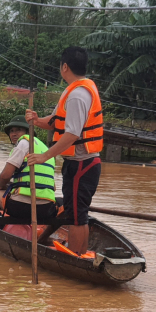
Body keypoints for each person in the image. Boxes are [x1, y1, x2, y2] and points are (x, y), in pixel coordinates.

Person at [25, 46, 103, 254]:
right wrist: (36, 120)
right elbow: (54, 122)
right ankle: (80, 254)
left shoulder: (78, 95)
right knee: (77, 214)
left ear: (65, 67)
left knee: (77, 216)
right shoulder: (74, 91)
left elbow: (72, 134)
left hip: (82, 164)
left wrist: (45, 156)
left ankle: (77, 259)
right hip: (78, 163)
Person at [0, 115, 56, 220]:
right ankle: (43, 236)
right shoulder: (45, 148)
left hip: (22, 207)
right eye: (12, 131)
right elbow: (54, 187)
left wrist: (1, 186)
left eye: (19, 130)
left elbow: (5, 175)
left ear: (27, 132)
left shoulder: (23, 143)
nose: (14, 134)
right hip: (46, 209)